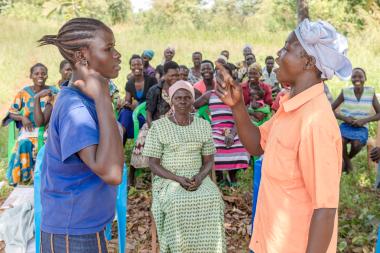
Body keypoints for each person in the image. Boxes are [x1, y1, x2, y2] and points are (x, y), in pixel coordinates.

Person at [215, 19, 352, 252]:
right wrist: (237, 106)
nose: (278, 55)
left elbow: (325, 210)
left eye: (287, 49)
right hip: (266, 242)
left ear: (308, 61)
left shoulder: (315, 121)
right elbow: (257, 144)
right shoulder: (290, 106)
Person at [38, 17, 124, 252]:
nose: (117, 54)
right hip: (72, 234)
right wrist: (104, 97)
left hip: (82, 228)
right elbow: (112, 172)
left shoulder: (87, 100)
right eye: (108, 48)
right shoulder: (75, 108)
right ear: (81, 56)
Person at [143, 80, 226, 253]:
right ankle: (179, 249)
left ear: (192, 100)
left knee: (213, 199)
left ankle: (209, 249)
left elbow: (209, 160)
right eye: (178, 97)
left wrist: (200, 177)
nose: (182, 101)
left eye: (187, 97)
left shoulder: (203, 125)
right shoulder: (159, 127)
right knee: (177, 201)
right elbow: (153, 163)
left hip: (197, 177)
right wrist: (177, 178)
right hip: (169, 179)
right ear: (171, 100)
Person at [2, 63, 59, 185]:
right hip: (29, 129)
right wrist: (22, 117)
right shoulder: (24, 93)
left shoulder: (52, 92)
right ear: (31, 76)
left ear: (47, 76)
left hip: (46, 130)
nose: (40, 76)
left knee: (45, 145)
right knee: (23, 144)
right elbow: (11, 113)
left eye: (43, 73)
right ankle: (24, 177)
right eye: (36, 73)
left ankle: (44, 177)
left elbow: (52, 114)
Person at [194, 64, 250, 187]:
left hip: (234, 128)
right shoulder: (210, 95)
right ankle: (219, 177)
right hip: (216, 130)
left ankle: (232, 176)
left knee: (241, 144)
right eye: (218, 76)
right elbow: (193, 105)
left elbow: (240, 117)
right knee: (213, 145)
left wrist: (232, 133)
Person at [332, 67, 380, 172]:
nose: (357, 79)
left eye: (360, 76)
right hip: (346, 125)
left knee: (356, 144)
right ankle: (348, 166)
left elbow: (379, 114)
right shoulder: (345, 92)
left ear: (365, 78)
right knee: (341, 140)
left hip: (362, 127)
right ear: (351, 79)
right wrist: (345, 118)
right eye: (354, 76)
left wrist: (364, 120)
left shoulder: (370, 92)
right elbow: (330, 109)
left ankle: (347, 161)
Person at [118, 55, 157, 144]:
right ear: (130, 67)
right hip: (136, 114)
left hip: (148, 114)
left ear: (143, 66)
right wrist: (125, 103)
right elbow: (128, 100)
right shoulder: (130, 83)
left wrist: (137, 107)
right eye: (133, 65)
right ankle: (120, 135)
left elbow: (156, 100)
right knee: (125, 112)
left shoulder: (151, 80)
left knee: (125, 117)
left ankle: (119, 141)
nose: (136, 67)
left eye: (139, 64)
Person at [146, 61, 180, 128]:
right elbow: (148, 115)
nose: (175, 78)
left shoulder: (181, 89)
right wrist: (153, 131)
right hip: (157, 126)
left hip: (177, 126)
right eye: (172, 75)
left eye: (177, 75)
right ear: (164, 75)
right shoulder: (155, 90)